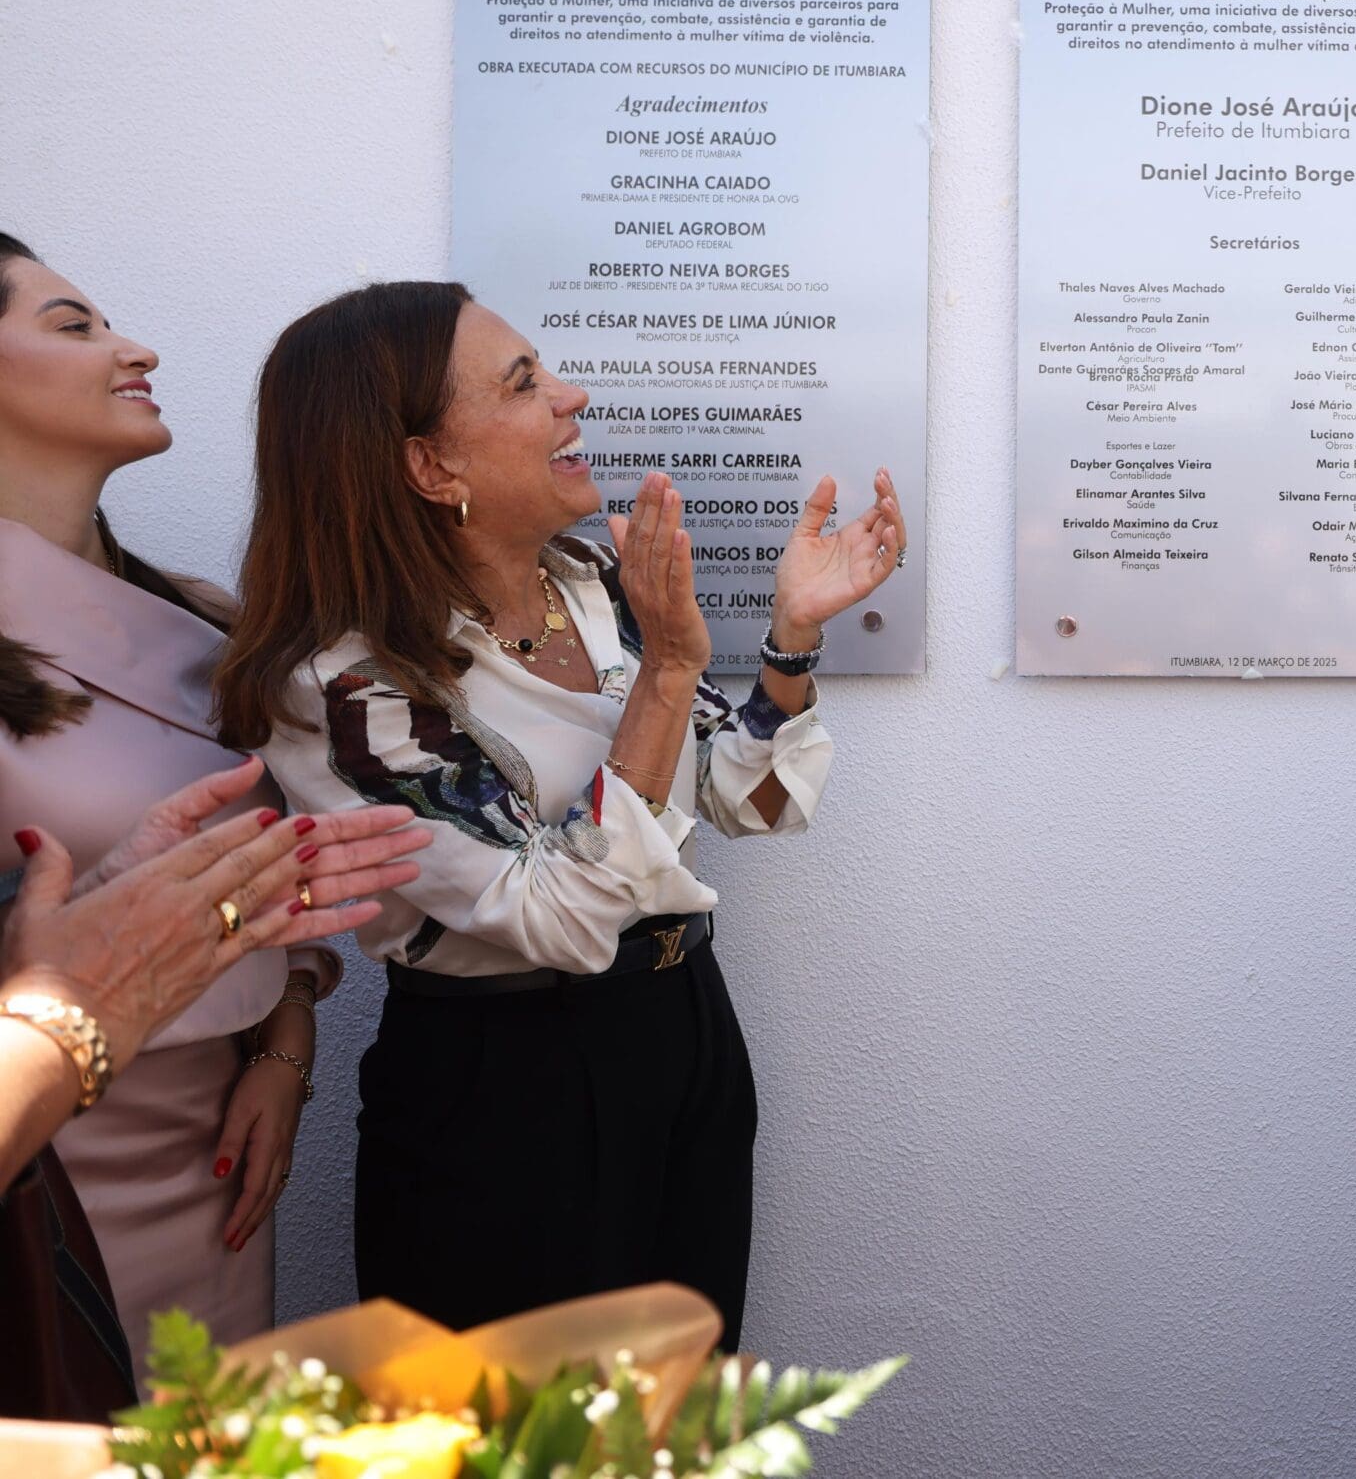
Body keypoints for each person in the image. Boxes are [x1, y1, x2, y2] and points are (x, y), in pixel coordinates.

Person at [213, 280, 906, 1349]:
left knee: (683, 1409)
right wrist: (667, 673)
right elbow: (557, 914)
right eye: (524, 382)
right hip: (508, 1085)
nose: (572, 396)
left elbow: (747, 797)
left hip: (681, 1033)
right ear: (431, 467)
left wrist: (791, 636)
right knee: (529, 1423)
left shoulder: (589, 585)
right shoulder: (346, 686)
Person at [0, 232, 375, 1351]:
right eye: (75, 327)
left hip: (217, 1152)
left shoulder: (210, 619)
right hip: (43, 1168)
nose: (136, 350)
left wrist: (287, 1043)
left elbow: (282, 868)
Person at [2, 763, 417, 1419]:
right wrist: (76, 1009)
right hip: (46, 1156)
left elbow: (269, 876)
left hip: (207, 1137)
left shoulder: (226, 691)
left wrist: (289, 1021)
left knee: (207, 1422)